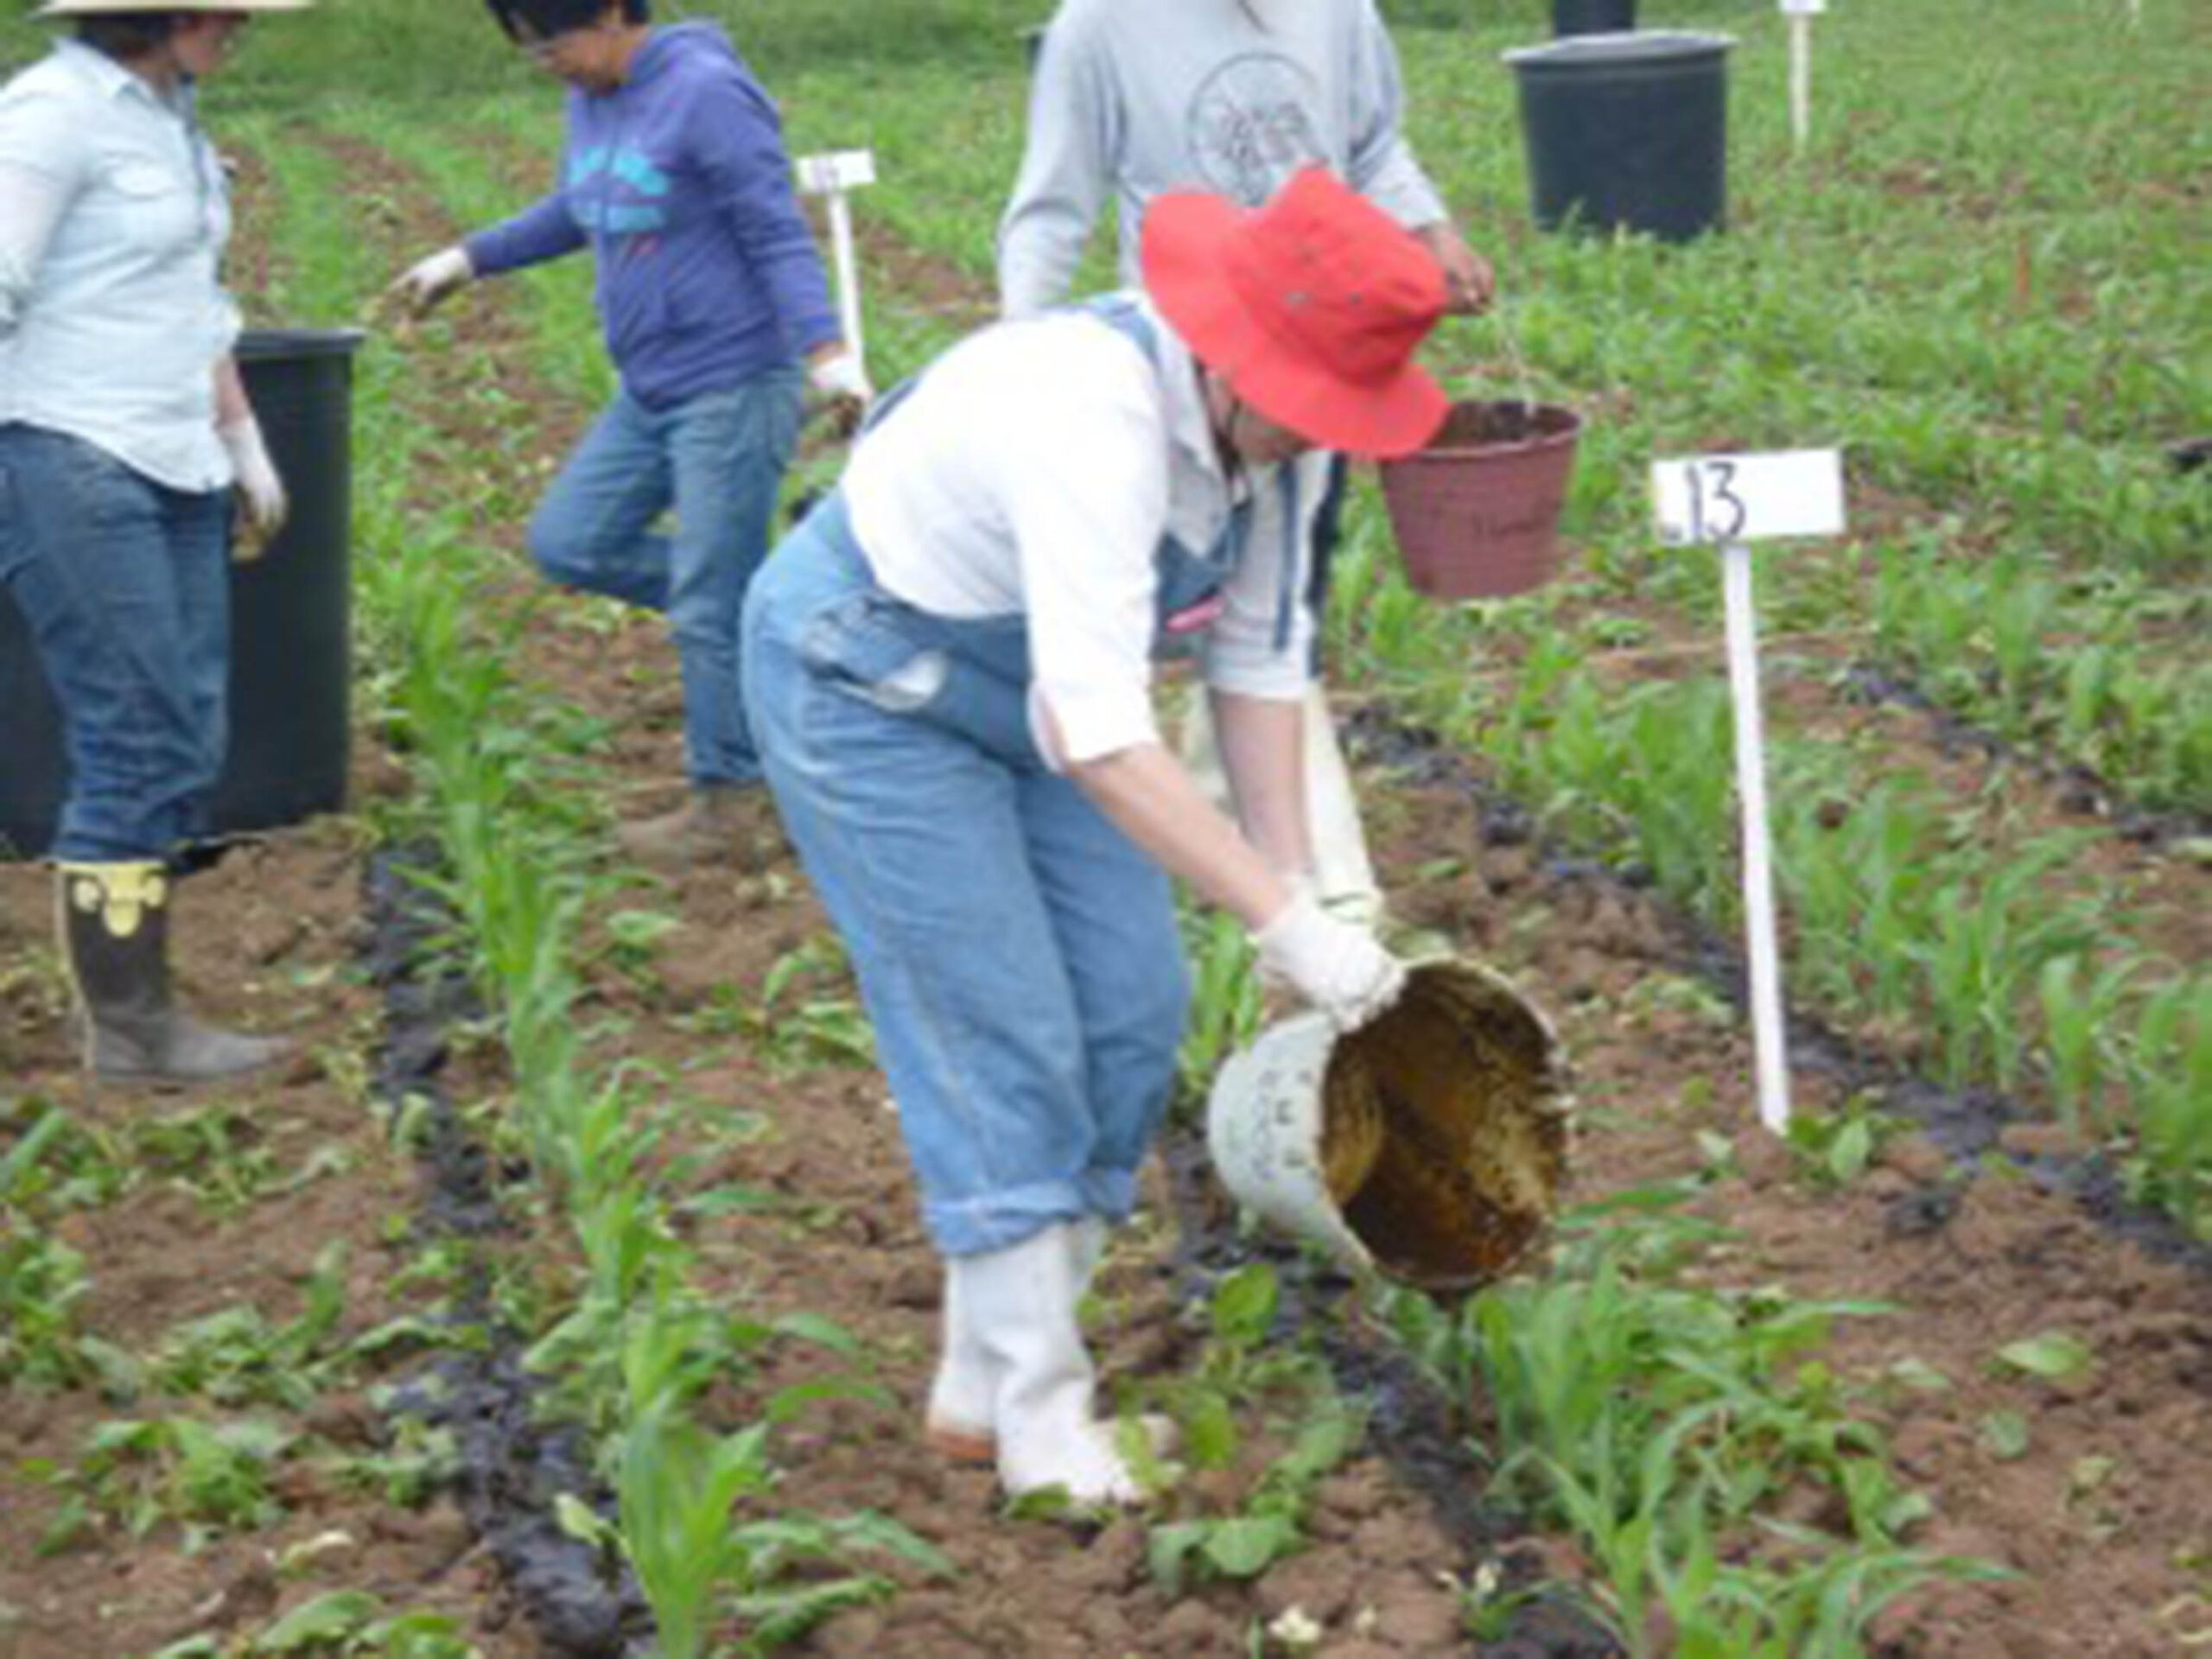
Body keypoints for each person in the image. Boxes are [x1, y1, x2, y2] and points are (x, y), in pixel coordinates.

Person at [742, 168, 1444, 1503]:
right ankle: (1047, 1428)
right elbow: (1103, 735)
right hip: (862, 677)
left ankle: (982, 1376)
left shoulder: (1284, 446)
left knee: (1129, 1012)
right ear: (1236, 352)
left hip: (1041, 698)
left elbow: (1258, 665)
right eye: (1301, 412)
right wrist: (1275, 921)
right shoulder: (1092, 419)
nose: (1312, 441)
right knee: (998, 1027)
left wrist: (1307, 891)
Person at [999, 0, 1495, 927]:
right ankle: (1205, 834)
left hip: (1330, 349)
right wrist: (1022, 368)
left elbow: (1373, 142)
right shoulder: (1099, 28)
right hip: (1191, 372)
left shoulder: (1337, 12)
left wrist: (1429, 229)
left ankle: (1283, 856)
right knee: (1146, 609)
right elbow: (1051, 207)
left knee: (1273, 609)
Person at [388, 0, 870, 871]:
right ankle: (775, 613)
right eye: (532, 53)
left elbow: (773, 230)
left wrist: (828, 355)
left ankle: (734, 805)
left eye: (554, 43)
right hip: (651, 387)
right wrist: (468, 259)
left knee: (705, 601)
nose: (550, 65)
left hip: (731, 379)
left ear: (613, 12)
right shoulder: (594, 96)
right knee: (570, 542)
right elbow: (587, 204)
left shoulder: (707, 94)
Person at [0, 0, 306, 1084]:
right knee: (131, 728)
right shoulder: (49, 116)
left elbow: (193, 297)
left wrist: (241, 437)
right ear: (152, 15)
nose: (237, 27)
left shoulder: (172, 119)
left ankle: (141, 1002)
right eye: (221, 12)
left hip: (177, 452)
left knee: (182, 723)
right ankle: (133, 1031)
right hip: (69, 449)